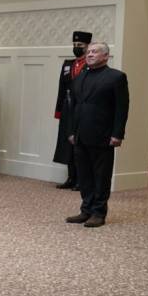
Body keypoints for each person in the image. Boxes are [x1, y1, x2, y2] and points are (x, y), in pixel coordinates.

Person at [65, 42, 129, 228]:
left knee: (101, 176)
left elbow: (122, 108)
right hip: (80, 134)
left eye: (95, 52)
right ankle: (86, 210)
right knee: (84, 175)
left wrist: (117, 134)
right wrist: (71, 131)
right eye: (89, 52)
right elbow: (73, 107)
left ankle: (99, 212)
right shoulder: (80, 77)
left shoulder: (116, 77)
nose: (90, 54)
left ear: (106, 56)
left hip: (103, 135)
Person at [53, 31, 93, 189]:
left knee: (80, 145)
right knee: (67, 144)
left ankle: (81, 180)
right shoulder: (68, 64)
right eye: (75, 44)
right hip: (68, 109)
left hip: (83, 109)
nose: (76, 47)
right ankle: (71, 177)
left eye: (80, 45)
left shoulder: (90, 65)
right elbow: (61, 88)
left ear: (87, 46)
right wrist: (58, 110)